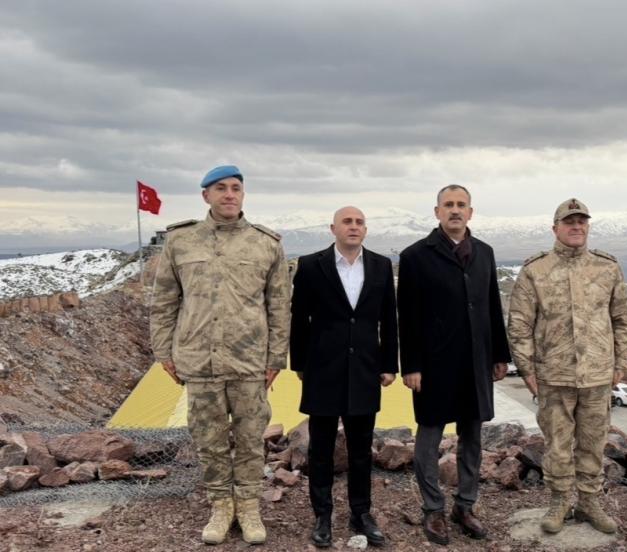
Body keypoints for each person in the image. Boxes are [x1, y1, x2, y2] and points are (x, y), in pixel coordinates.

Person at [150, 165, 290, 545]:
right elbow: (164, 301)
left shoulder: (265, 244)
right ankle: (220, 506)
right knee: (209, 440)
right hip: (199, 361)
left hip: (249, 362)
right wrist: (163, 352)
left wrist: (276, 358)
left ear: (243, 194)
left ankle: (248, 506)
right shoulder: (181, 241)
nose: (229, 194)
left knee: (250, 440)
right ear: (206, 196)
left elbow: (279, 306)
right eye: (221, 188)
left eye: (236, 188)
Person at [507, 198, 627, 534]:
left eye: (581, 222)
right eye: (569, 222)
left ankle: (589, 502)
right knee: (558, 445)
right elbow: (519, 324)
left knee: (593, 442)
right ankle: (559, 501)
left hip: (597, 374)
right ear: (555, 228)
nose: (576, 227)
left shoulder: (607, 268)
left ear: (587, 226)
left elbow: (622, 319)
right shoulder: (536, 270)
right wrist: (527, 370)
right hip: (553, 375)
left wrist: (620, 362)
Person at [397, 184, 512, 545]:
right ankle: (433, 509)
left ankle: (465, 506)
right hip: (434, 365)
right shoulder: (415, 256)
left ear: (470, 212)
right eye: (448, 204)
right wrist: (411, 365)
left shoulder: (485, 253)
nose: (455, 210)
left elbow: (492, 306)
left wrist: (499, 355)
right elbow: (408, 318)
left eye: (461, 204)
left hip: (475, 362)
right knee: (429, 438)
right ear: (437, 212)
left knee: (472, 437)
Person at [290, 206, 398, 548]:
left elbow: (388, 319)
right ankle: (322, 515)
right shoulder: (311, 265)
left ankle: (361, 513)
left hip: (365, 369)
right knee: (320, 448)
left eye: (359, 222)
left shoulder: (381, 266)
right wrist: (300, 364)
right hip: (322, 369)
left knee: (361, 450)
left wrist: (389, 364)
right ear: (333, 228)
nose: (354, 227)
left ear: (365, 229)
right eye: (347, 222)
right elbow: (299, 319)